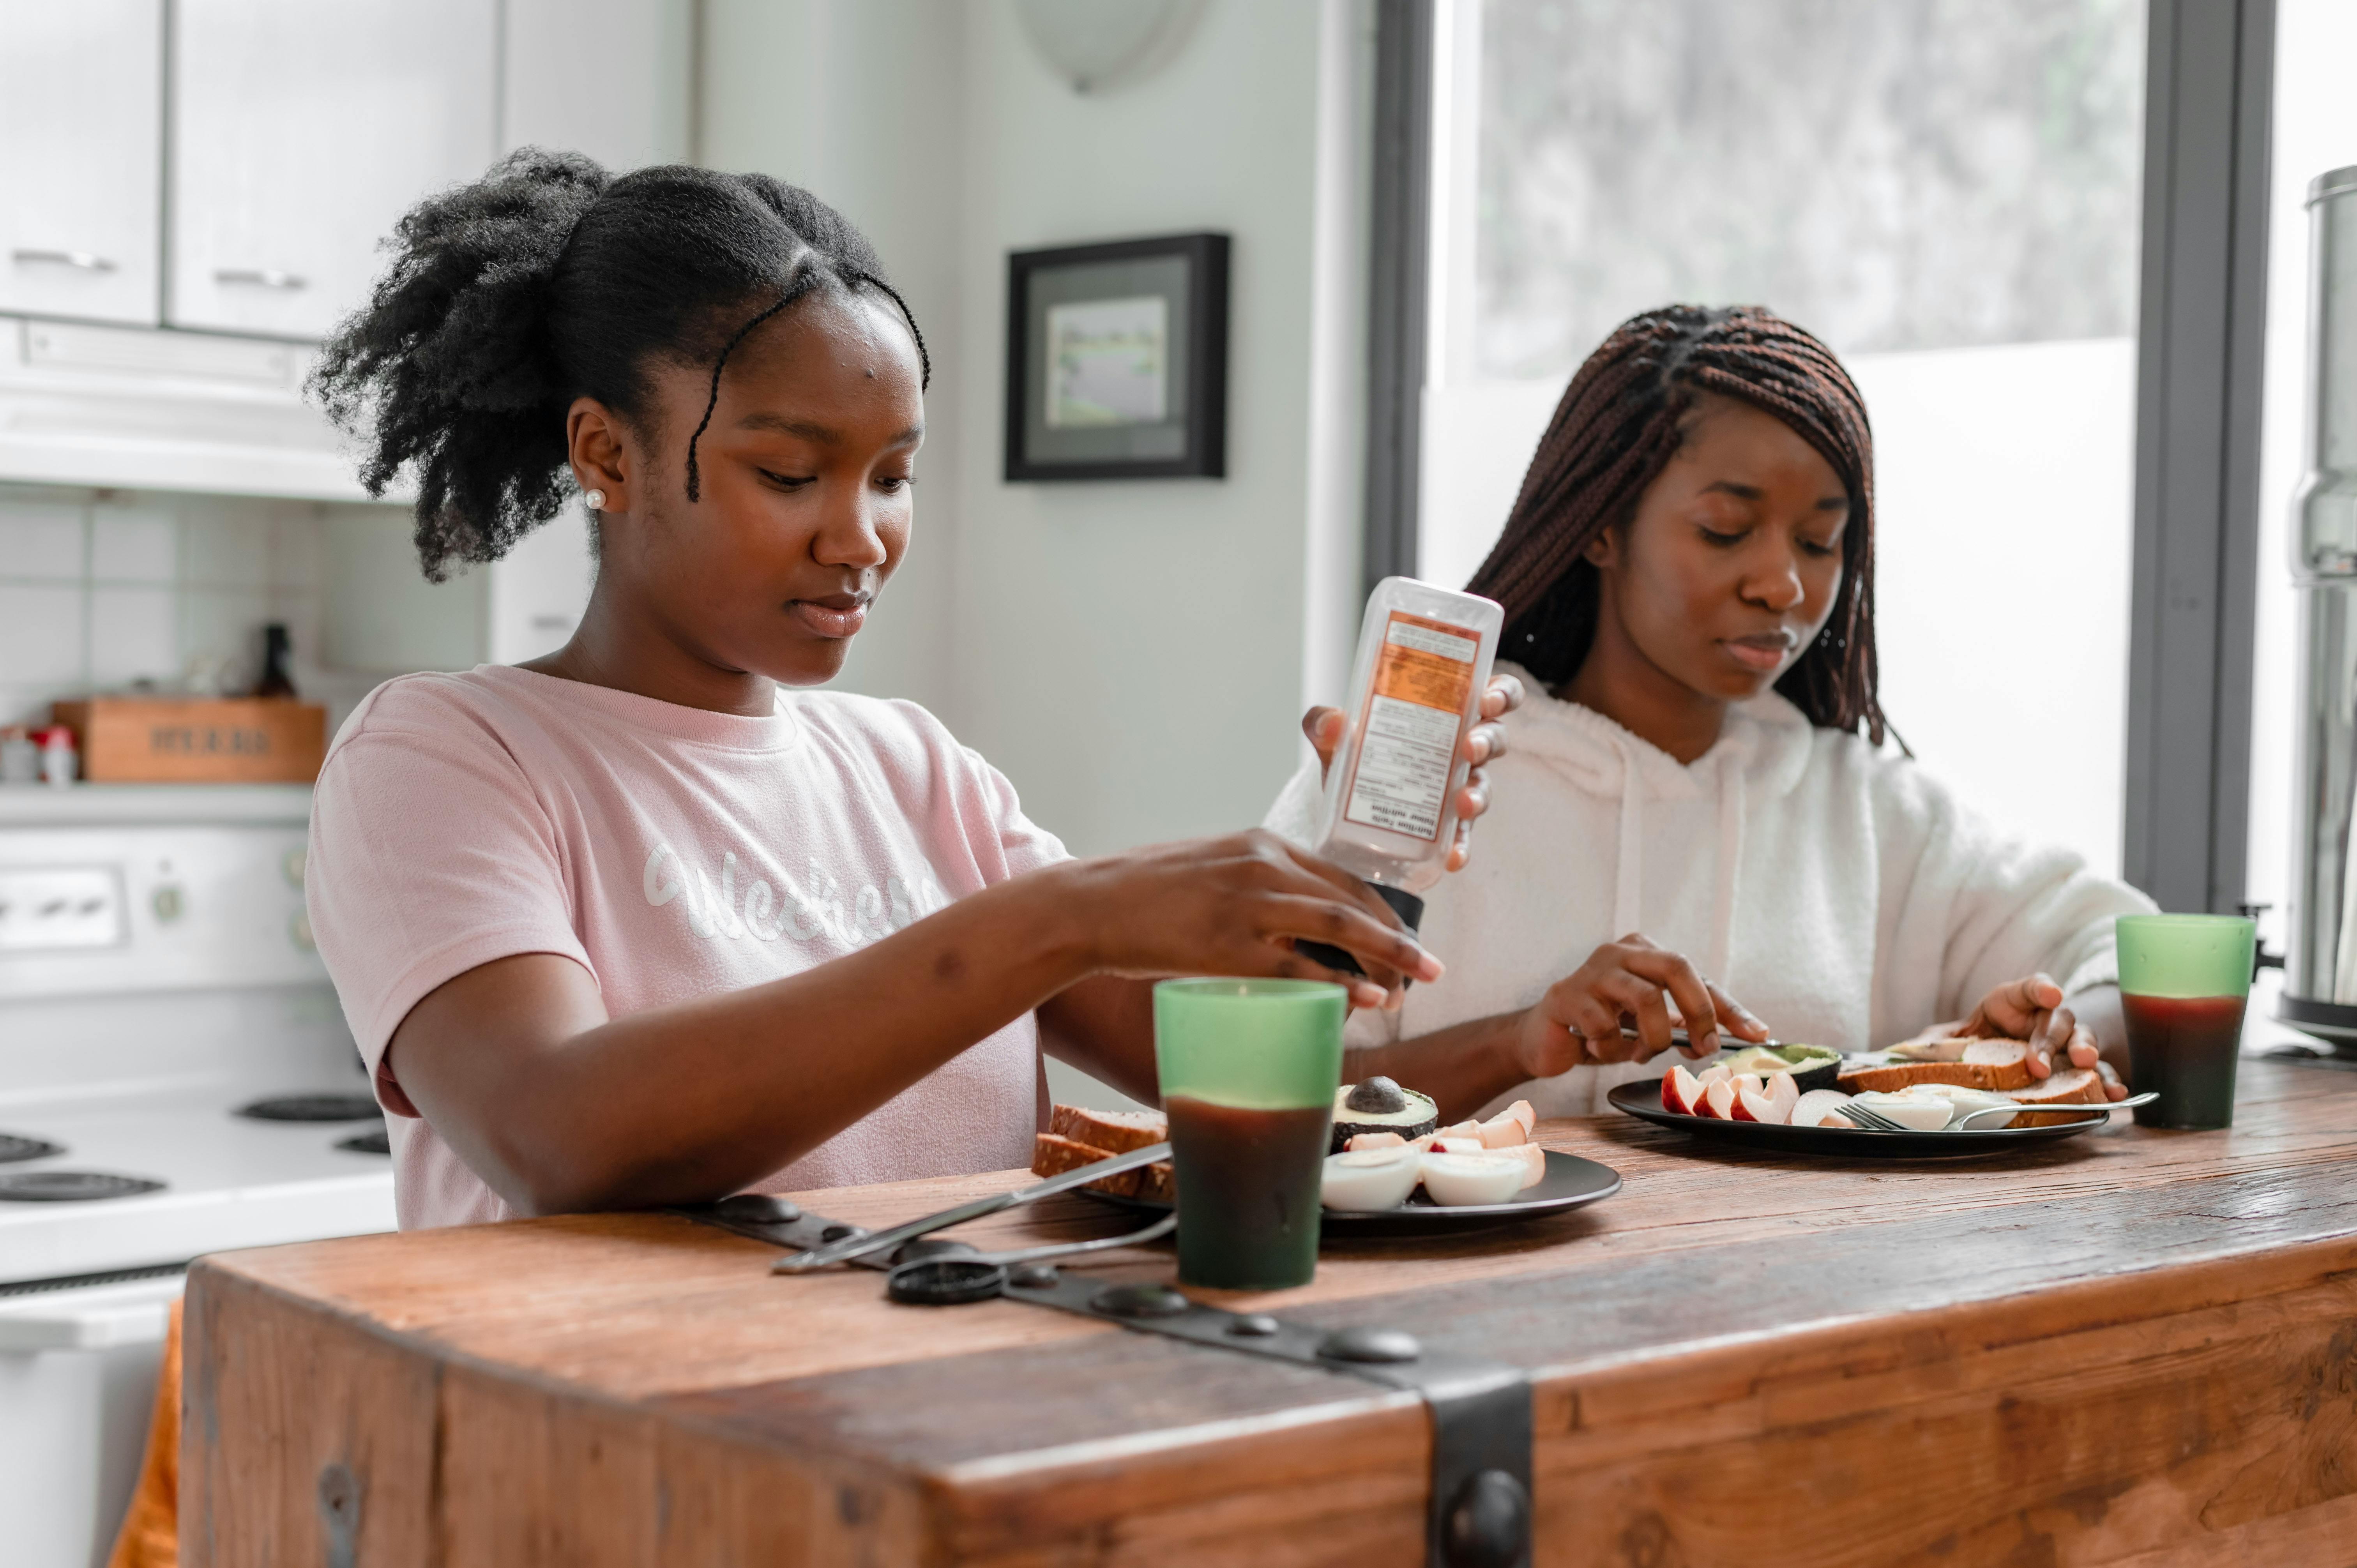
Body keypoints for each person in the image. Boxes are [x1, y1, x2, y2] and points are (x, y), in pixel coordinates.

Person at [296, 150, 1517, 1231]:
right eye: (790, 473)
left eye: (893, 475)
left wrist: (1368, 873)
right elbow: (555, 1133)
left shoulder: (915, 768)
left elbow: (1226, 1075)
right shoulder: (444, 756)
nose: (862, 536)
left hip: (935, 1436)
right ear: (608, 454)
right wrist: (1056, 921)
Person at [1266, 304, 2150, 1118]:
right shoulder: (1432, 771)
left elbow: (2127, 948)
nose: (1785, 585)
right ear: (1601, 527)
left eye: (1820, 541)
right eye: (1727, 528)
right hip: (1448, 1289)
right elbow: (1260, 1085)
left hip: (1801, 1288)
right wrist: (1516, 1040)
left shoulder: (1866, 809)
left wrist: (2061, 1029)